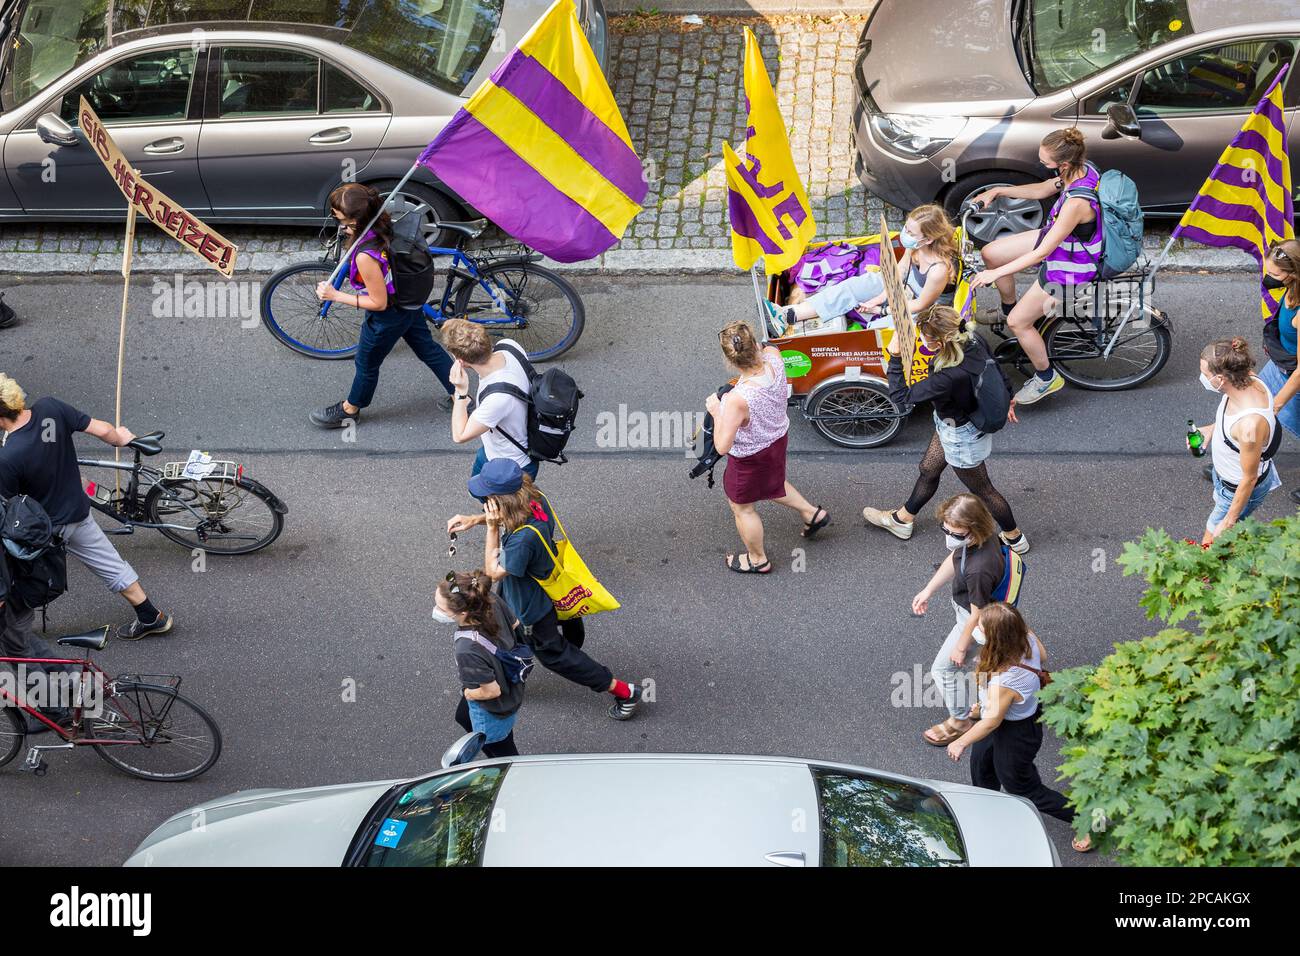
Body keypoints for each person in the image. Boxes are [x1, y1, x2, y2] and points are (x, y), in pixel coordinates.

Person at [0, 375, 172, 640]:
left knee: (17, 578)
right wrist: (120, 438)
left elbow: (9, 506)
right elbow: (103, 430)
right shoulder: (50, 408)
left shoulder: (9, 456)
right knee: (110, 564)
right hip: (78, 509)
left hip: (48, 527)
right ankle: (150, 616)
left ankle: (11, 630)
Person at [469, 458, 642, 720]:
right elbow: (511, 515)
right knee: (505, 634)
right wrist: (473, 520)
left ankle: (623, 691)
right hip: (538, 589)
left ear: (500, 500)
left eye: (487, 497)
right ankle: (512, 672)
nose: (484, 501)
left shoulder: (523, 540)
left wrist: (491, 528)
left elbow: (493, 572)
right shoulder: (535, 496)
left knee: (556, 656)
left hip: (530, 607)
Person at [864, 305, 1028, 552]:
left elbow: (900, 396)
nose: (920, 339)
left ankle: (1014, 538)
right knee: (928, 469)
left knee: (983, 489)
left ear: (939, 343)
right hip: (953, 423)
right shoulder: (972, 338)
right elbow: (994, 366)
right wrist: (1007, 397)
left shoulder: (949, 376)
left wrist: (895, 355)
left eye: (924, 337)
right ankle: (903, 519)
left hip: (960, 435)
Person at [970, 127, 1104, 406]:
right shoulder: (1082, 169)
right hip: (1060, 241)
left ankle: (1046, 377)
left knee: (1018, 322)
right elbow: (1044, 189)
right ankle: (1010, 308)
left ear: (1063, 164)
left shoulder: (1077, 203)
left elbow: (1043, 252)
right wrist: (998, 191)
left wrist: (995, 275)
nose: (1042, 165)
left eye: (1045, 162)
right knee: (991, 252)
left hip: (1069, 266)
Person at [945, 602, 1092, 852]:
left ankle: (1089, 819)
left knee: (1022, 787)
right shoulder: (1024, 636)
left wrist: (960, 741)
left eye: (981, 627)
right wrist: (984, 706)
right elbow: (1042, 656)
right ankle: (987, 810)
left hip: (1017, 732)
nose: (976, 629)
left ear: (997, 637)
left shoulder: (1007, 678)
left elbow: (992, 721)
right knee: (982, 765)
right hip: (1004, 718)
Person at [310, 183, 454, 428]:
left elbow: (378, 302)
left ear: (357, 219)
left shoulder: (366, 256)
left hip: (389, 315)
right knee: (428, 349)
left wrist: (335, 295)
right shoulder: (383, 224)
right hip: (409, 305)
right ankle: (461, 395)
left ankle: (350, 409)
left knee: (366, 364)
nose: (338, 222)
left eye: (341, 218)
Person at [709, 321, 828, 574]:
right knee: (773, 482)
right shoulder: (774, 358)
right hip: (777, 439)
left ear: (730, 361)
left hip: (750, 457)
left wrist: (715, 411)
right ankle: (812, 514)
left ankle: (757, 559)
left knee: (742, 507)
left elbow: (721, 445)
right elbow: (769, 346)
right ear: (754, 345)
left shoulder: (737, 400)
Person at [911, 494, 1006, 746]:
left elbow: (976, 615)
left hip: (976, 623)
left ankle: (960, 721)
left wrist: (961, 646)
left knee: (943, 669)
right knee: (985, 665)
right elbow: (956, 560)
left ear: (975, 529)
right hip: (985, 618)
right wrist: (928, 589)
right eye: (945, 529)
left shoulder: (979, 569)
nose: (950, 537)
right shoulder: (980, 542)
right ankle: (987, 707)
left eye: (956, 533)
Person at [772, 204, 961, 327]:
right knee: (852, 286)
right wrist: (879, 298)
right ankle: (789, 314)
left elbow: (920, 305)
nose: (905, 234)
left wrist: (882, 309)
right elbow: (900, 273)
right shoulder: (915, 246)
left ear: (928, 239)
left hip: (923, 312)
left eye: (911, 232)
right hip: (904, 291)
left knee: (876, 329)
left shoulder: (939, 269)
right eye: (906, 228)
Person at [1190, 338, 1282, 545]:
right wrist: (1212, 431)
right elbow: (1232, 419)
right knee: (1222, 542)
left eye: (1206, 374)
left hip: (1234, 490)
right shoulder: (1247, 378)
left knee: (1210, 546)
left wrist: (1228, 521)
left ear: (1221, 380)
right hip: (1225, 478)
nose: (1202, 378)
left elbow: (1249, 478)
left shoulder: (1250, 426)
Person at [434, 569, 526, 758]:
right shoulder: (488, 598)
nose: (436, 611)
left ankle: (507, 773)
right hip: (506, 676)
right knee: (463, 716)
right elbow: (516, 624)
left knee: (501, 751)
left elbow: (492, 691)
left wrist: (468, 693)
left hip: (493, 706)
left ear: (463, 612)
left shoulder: (467, 649)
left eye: (441, 609)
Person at [440, 318, 538, 490]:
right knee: (477, 492)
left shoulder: (497, 399)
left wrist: (461, 393)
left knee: (500, 511)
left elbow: (460, 435)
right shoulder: (509, 346)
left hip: (510, 467)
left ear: (460, 360)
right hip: (494, 449)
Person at [1258, 240, 1300, 504]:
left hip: (1293, 377)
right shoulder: (1292, 288)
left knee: (1268, 413)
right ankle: (1246, 465)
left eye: (1274, 274)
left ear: (1293, 274)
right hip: (1279, 366)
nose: (1268, 278)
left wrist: (1278, 403)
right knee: (1254, 410)